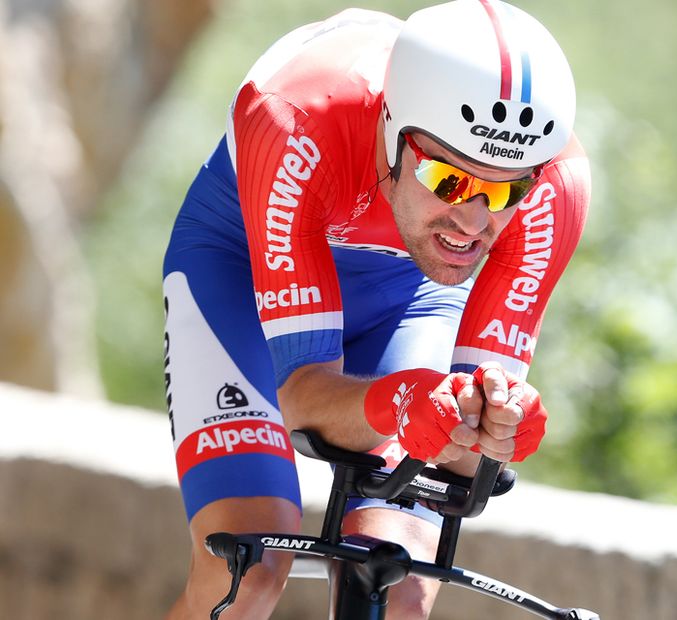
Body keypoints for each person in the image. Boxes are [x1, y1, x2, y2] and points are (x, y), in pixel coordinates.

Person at [160, 1, 590, 617]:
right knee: (245, 567)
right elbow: (304, 399)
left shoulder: (557, 188)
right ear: (393, 134)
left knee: (399, 586)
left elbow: (467, 459)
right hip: (243, 271)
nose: (472, 223)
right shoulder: (297, 119)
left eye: (504, 190)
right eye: (450, 180)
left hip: (411, 293)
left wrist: (495, 423)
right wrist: (404, 402)